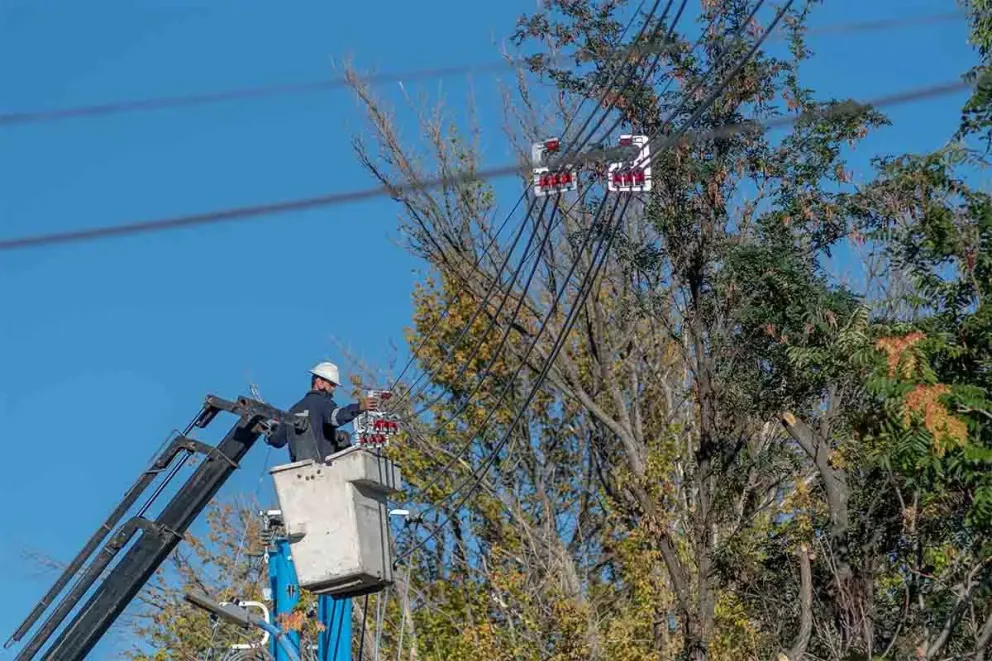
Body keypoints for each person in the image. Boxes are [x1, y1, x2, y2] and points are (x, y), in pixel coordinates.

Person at [266, 361, 374, 463]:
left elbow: (277, 440)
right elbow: (337, 416)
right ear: (319, 382)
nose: (334, 389)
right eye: (331, 384)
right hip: (323, 468)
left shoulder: (293, 410)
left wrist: (269, 429)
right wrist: (359, 407)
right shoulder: (322, 404)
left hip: (299, 470)